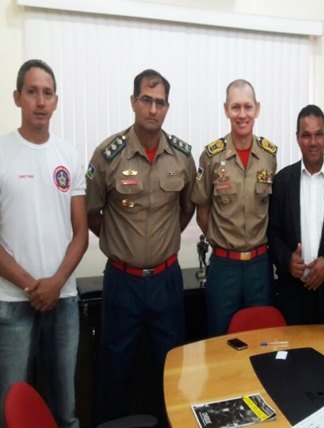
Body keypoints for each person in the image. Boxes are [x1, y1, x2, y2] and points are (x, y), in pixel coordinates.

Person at [86, 69, 196, 425]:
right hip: (123, 282)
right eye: (146, 100)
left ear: (167, 107)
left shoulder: (181, 156)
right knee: (115, 369)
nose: (152, 108)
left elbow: (186, 209)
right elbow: (92, 212)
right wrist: (125, 246)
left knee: (170, 367)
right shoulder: (108, 155)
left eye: (160, 102)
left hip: (166, 280)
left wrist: (160, 243)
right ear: (134, 102)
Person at [0, 59, 88, 428]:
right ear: (18, 97)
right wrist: (31, 285)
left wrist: (55, 284)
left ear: (56, 101)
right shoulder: (2, 153)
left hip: (63, 299)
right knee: (12, 412)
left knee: (64, 411)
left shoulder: (68, 155)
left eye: (47, 93)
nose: (40, 101)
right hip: (12, 303)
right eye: (32, 92)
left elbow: (81, 233)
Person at [191, 79, 277, 336]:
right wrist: (223, 241)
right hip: (224, 267)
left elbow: (270, 208)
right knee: (220, 338)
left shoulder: (268, 155)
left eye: (248, 107)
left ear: (257, 109)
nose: (242, 115)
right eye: (236, 107)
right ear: (226, 109)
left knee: (261, 339)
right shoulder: (211, 156)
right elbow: (202, 211)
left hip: (260, 267)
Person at [268, 104, 324, 324]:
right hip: (292, 296)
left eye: (319, 134)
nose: (313, 142)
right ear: (297, 138)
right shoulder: (282, 181)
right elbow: (273, 232)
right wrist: (288, 260)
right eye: (306, 135)